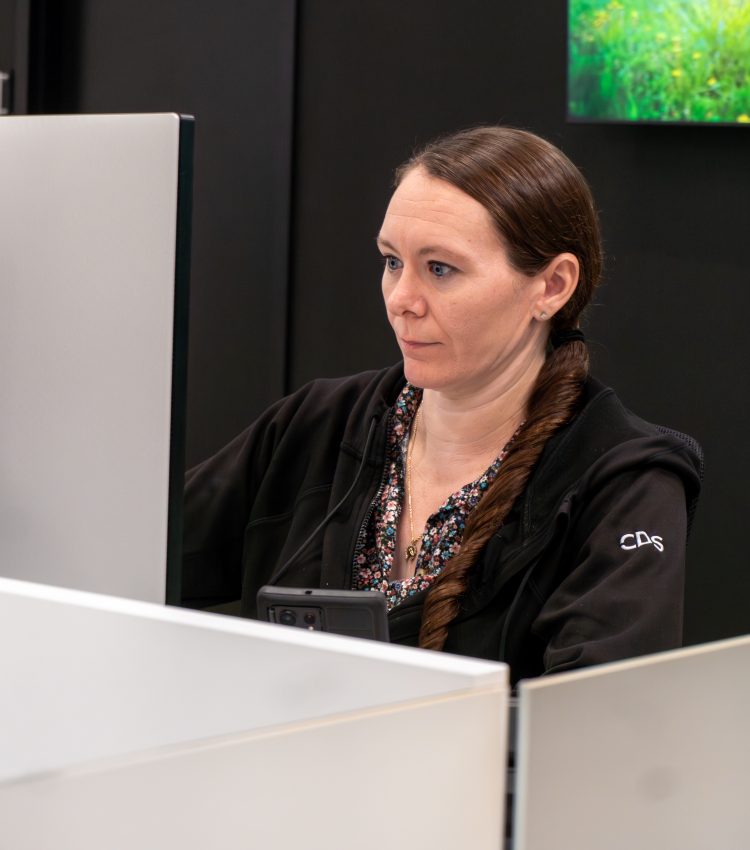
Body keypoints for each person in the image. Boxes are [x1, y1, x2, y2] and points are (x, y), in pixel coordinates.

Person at [182, 126, 702, 685]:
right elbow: (128, 564)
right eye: (391, 262)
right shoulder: (315, 425)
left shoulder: (624, 483)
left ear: (552, 286)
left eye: (440, 269)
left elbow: (595, 732)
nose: (402, 300)